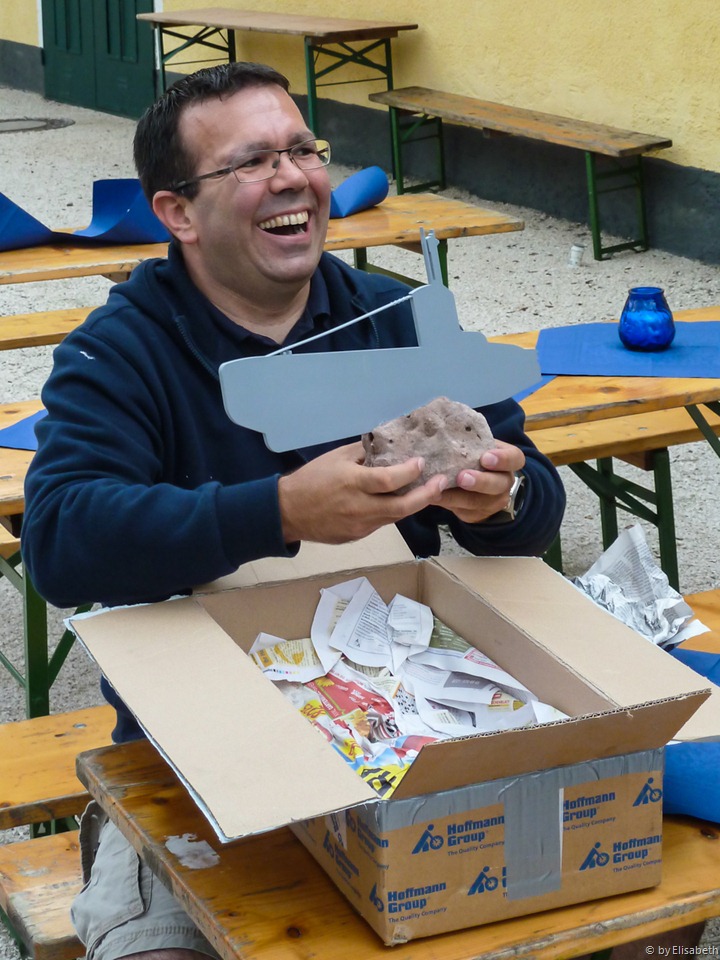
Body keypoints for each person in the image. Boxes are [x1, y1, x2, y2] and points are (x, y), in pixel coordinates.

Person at [22, 62, 565, 960]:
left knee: (617, 895)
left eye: (303, 150)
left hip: (406, 731)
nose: (293, 178)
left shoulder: (398, 319)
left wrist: (499, 502)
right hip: (193, 758)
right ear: (178, 212)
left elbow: (538, 513)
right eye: (252, 161)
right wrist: (279, 512)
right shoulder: (119, 353)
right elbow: (62, 541)